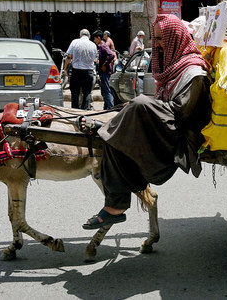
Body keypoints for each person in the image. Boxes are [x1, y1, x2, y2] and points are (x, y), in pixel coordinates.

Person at [81, 14, 211, 229]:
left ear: (175, 39)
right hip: (166, 126)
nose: (156, 44)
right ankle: (115, 206)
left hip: (179, 135)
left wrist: (144, 108)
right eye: (155, 38)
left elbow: (182, 113)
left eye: (161, 39)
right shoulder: (175, 68)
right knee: (112, 142)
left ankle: (106, 128)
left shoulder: (194, 72)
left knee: (139, 103)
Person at [64, 29, 98, 109]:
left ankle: (75, 112)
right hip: (89, 72)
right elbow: (95, 59)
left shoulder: (74, 42)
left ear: (80, 35)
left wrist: (65, 68)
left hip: (77, 72)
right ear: (89, 36)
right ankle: (85, 112)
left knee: (75, 93)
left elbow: (69, 57)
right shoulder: (93, 45)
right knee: (87, 93)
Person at [93, 30, 115, 110]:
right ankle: (106, 107)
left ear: (99, 38)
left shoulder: (103, 45)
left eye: (95, 39)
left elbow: (111, 55)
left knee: (106, 90)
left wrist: (104, 65)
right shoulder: (101, 46)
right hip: (103, 72)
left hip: (105, 72)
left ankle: (110, 107)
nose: (94, 41)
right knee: (104, 91)